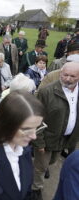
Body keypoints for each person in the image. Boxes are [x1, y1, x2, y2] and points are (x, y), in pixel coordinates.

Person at [31, 62, 79, 200]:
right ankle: (36, 188)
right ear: (60, 73)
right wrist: (39, 143)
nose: (68, 79)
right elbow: (36, 118)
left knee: (52, 162)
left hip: (67, 139)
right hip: (47, 139)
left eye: (73, 76)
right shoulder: (46, 92)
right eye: (65, 75)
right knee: (40, 166)